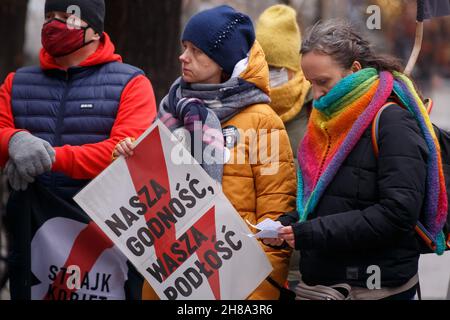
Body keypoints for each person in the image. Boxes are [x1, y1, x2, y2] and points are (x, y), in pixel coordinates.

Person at [114, 5, 297, 300]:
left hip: (236, 286)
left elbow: (274, 221)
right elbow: (146, 198)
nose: (183, 57)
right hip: (172, 278)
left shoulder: (263, 121)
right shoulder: (171, 111)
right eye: (184, 47)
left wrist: (259, 295)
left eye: (196, 51)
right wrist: (128, 156)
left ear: (224, 60)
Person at [265, 19, 448, 300]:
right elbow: (320, 201)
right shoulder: (326, 122)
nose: (316, 94)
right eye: (310, 83)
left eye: (323, 82)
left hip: (378, 291)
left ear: (355, 70)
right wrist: (286, 225)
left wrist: (308, 233)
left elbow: (396, 215)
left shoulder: (392, 122)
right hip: (323, 288)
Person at [0, 0, 157, 200]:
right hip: (29, 223)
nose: (53, 24)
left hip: (96, 223)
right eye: (49, 17)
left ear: (95, 31)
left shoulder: (133, 84)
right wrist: (13, 141)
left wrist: (48, 158)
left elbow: (122, 152)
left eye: (67, 18)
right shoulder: (16, 82)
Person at [256, 4, 311, 290]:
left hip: (304, 261)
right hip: (258, 256)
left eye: (278, 68)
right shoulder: (246, 108)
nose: (271, 75)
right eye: (265, 66)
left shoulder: (317, 108)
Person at [256, 4, 311, 157]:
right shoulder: (247, 103)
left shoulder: (315, 102)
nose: (268, 74)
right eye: (264, 66)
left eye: (275, 68)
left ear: (294, 66)